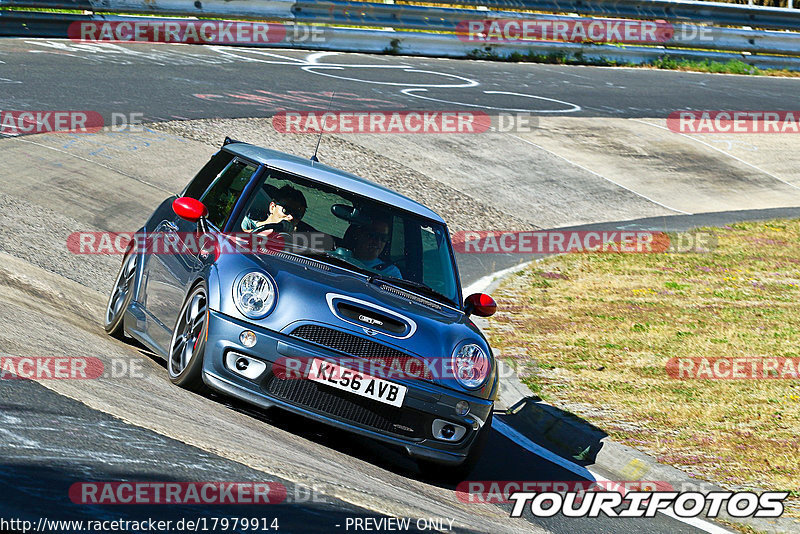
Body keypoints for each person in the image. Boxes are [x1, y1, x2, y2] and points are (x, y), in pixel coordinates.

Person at [242, 185, 307, 234]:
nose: (291, 217)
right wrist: (266, 231)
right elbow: (236, 236)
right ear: (272, 207)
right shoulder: (246, 223)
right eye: (286, 210)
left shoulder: (294, 241)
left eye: (297, 215)